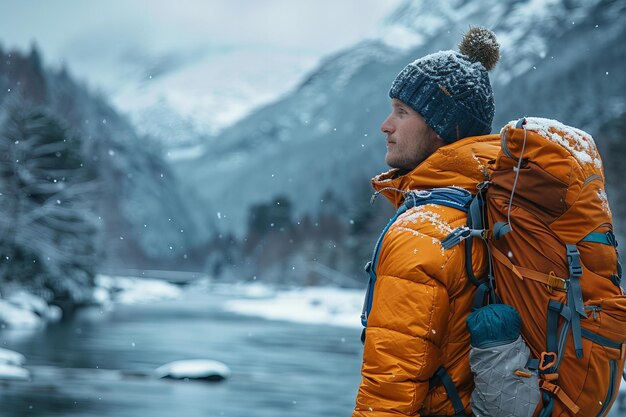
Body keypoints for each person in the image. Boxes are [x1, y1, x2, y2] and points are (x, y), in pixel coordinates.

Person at [353, 27, 501, 416]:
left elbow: (390, 390)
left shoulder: (423, 232)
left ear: (442, 128)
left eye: (402, 112)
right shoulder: (484, 207)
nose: (386, 125)